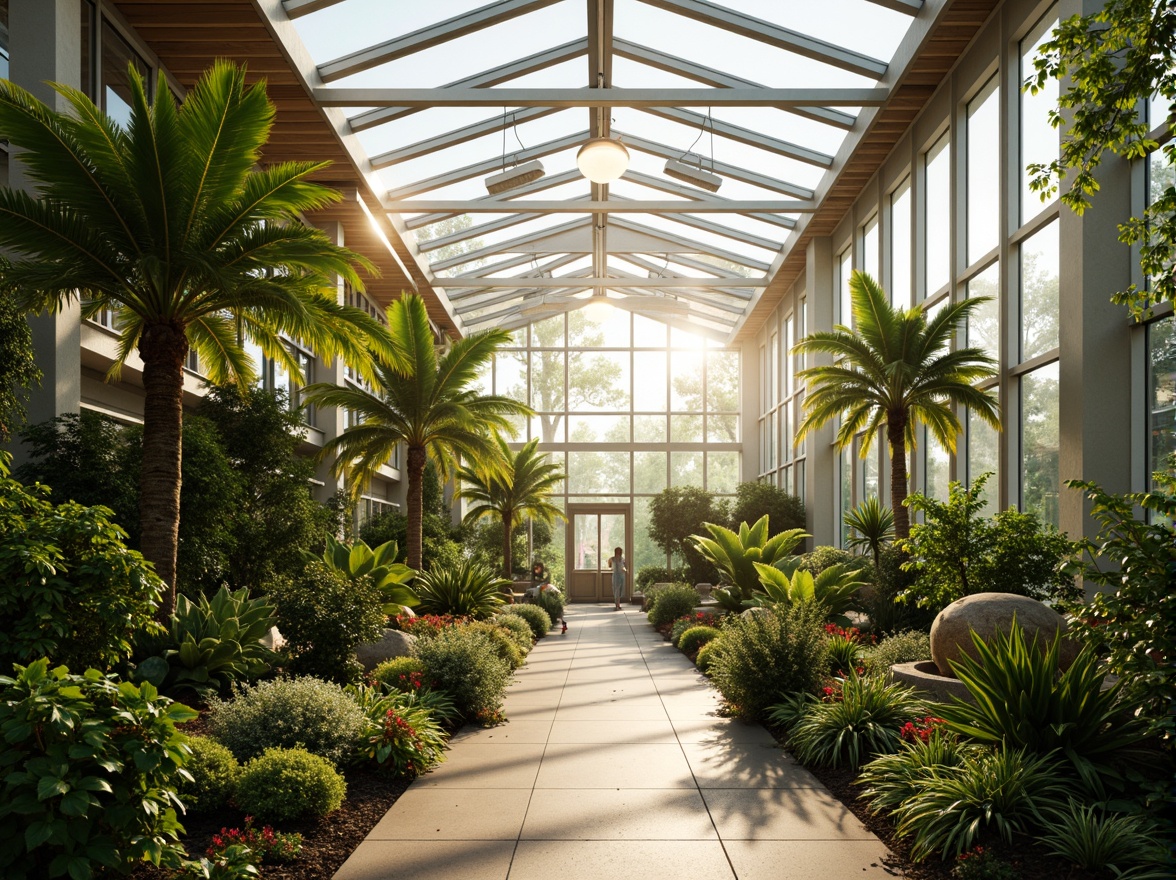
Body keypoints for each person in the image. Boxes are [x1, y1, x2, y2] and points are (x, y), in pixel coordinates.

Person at [608, 546, 626, 611]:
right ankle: (617, 605)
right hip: (615, 575)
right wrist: (611, 569)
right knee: (616, 590)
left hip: (621, 575)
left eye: (620, 551)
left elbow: (624, 566)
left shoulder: (622, 559)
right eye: (617, 551)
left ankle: (619, 604)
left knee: (621, 589)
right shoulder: (612, 559)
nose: (619, 553)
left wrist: (625, 570)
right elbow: (610, 566)